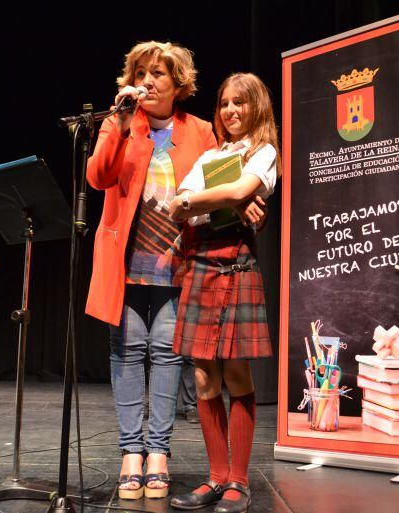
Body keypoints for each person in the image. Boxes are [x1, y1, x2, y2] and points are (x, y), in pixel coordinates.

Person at [86, 40, 226, 500]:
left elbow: (221, 189)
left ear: (178, 83)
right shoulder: (120, 121)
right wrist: (120, 124)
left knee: (167, 354)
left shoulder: (201, 131)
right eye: (140, 72)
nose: (146, 81)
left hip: (177, 266)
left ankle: (159, 452)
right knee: (127, 351)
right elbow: (98, 176)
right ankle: (131, 452)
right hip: (124, 266)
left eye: (158, 74)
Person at [167, 73, 279, 513]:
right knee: (201, 377)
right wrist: (224, 201)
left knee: (235, 375)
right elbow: (178, 203)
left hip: (235, 266)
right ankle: (215, 477)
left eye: (241, 103)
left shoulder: (264, 152)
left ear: (257, 107)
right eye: (225, 103)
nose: (231, 110)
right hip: (200, 266)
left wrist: (214, 199)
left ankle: (238, 481)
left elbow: (233, 191)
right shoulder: (211, 155)